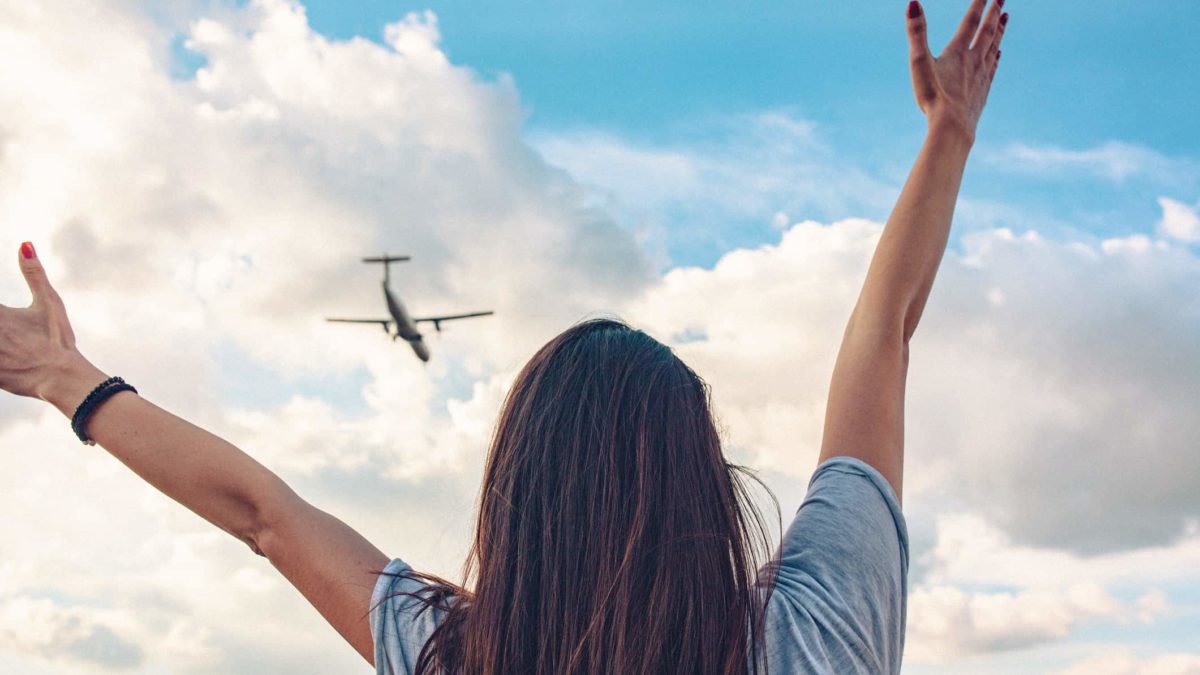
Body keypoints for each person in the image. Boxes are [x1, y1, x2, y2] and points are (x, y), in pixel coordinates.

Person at [0, 0, 1007, 672]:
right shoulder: (818, 629)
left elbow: (264, 513)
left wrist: (66, 378)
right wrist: (948, 137)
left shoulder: (449, 652)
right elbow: (884, 337)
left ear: (517, 488)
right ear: (699, 477)